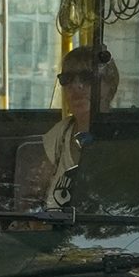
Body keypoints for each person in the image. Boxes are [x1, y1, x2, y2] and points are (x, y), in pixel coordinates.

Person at [20, 44, 117, 208]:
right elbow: (32, 197)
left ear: (110, 85)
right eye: (67, 79)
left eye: (87, 78)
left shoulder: (125, 135)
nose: (76, 86)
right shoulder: (59, 135)